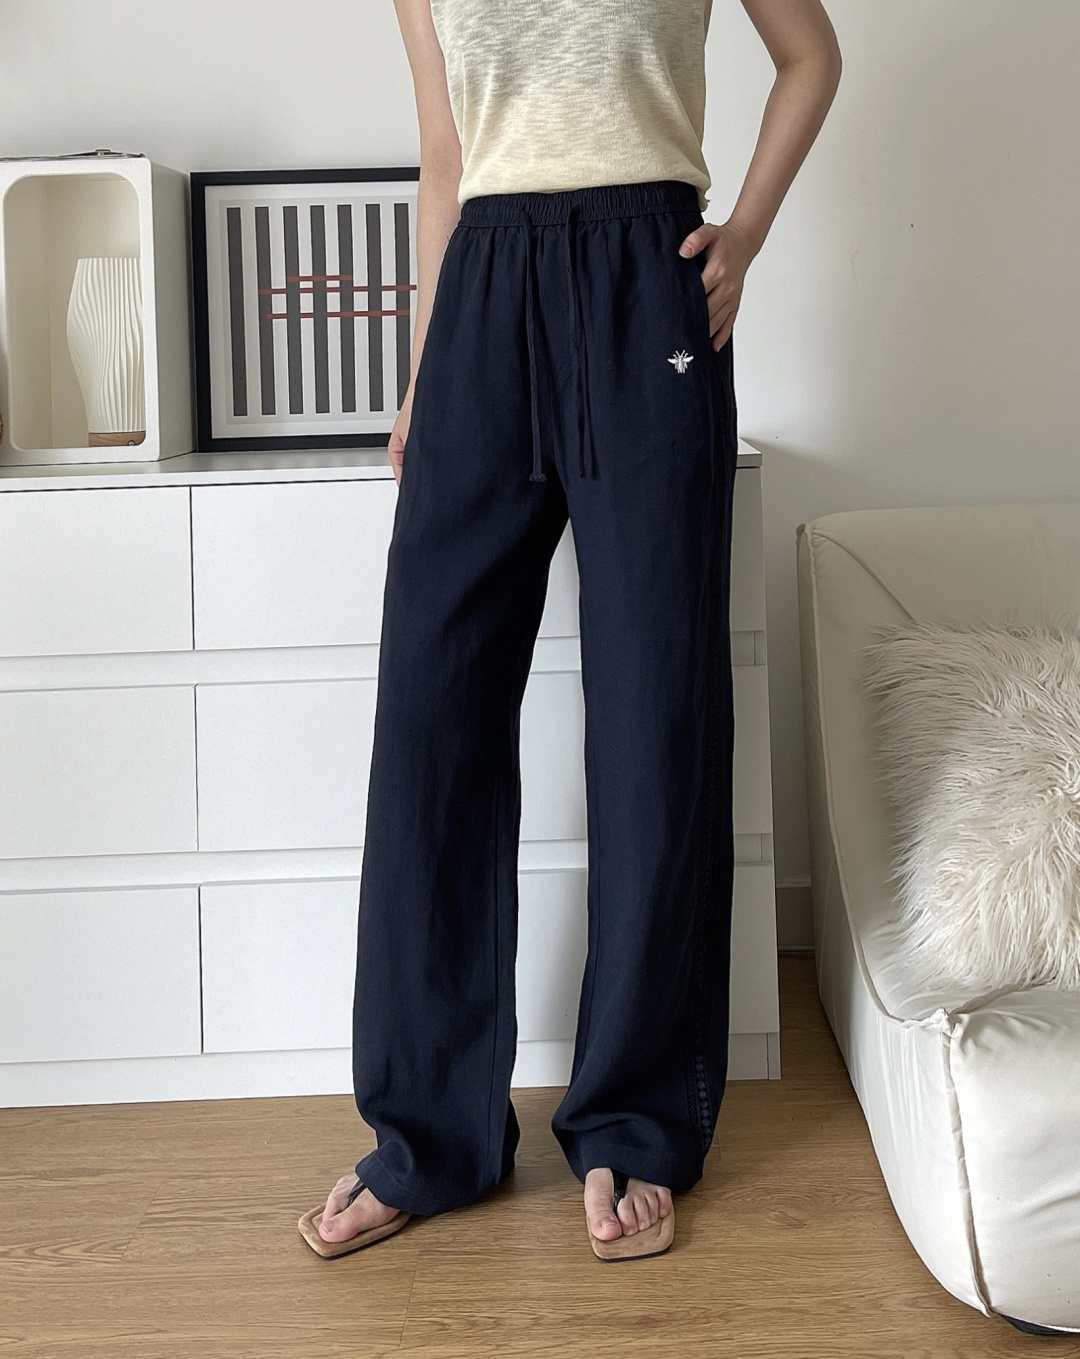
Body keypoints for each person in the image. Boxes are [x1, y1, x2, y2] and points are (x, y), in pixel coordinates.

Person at [301, 0, 841, 1261]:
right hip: (483, 291)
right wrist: (424, 372)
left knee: (655, 717)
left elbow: (811, 56)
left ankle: (635, 1122)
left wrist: (745, 235)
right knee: (432, 718)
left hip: (648, 279)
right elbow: (446, 155)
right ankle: (429, 1135)